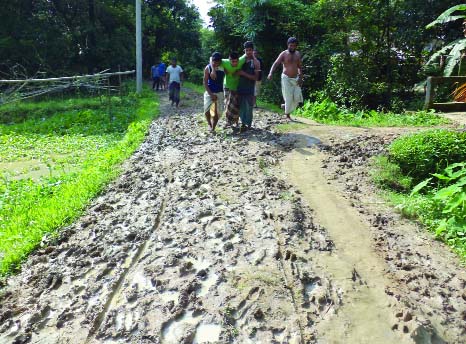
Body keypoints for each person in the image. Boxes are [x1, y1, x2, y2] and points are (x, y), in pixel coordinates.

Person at [267, 37, 303, 120]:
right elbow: (276, 63)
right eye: (291, 45)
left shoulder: (297, 54)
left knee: (297, 97)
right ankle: (287, 114)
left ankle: (285, 106)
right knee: (288, 96)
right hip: (286, 78)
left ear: (296, 46)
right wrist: (270, 73)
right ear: (288, 45)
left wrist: (300, 77)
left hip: (295, 78)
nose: (292, 47)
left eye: (294, 46)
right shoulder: (283, 54)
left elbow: (300, 67)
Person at [236, 41, 260, 130]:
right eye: (247, 50)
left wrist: (243, 73)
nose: (248, 52)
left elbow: (256, 77)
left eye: (250, 50)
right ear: (244, 50)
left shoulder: (256, 62)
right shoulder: (241, 60)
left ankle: (248, 124)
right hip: (240, 87)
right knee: (241, 106)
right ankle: (242, 123)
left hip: (250, 88)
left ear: (253, 50)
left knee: (249, 106)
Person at [203, 52, 225, 132]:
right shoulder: (208, 68)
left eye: (217, 61)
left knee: (217, 112)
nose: (215, 63)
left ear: (220, 61)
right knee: (207, 110)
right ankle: (209, 123)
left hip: (219, 92)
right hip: (209, 91)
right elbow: (205, 82)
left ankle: (213, 128)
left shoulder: (223, 68)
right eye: (213, 61)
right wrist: (211, 94)